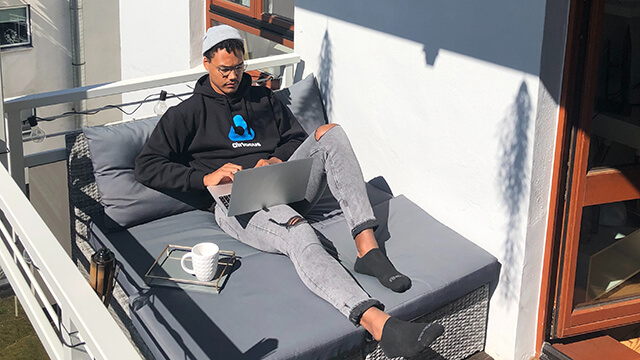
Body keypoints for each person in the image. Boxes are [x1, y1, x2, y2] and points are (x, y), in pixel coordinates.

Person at [135, 25, 444, 358]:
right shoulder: (186, 114)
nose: (233, 76)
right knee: (299, 233)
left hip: (284, 182)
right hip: (240, 202)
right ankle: (380, 324)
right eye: (225, 69)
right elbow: (147, 166)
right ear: (207, 63)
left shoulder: (262, 98)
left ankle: (367, 249)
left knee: (330, 133)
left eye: (239, 68)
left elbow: (297, 139)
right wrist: (205, 178)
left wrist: (276, 158)